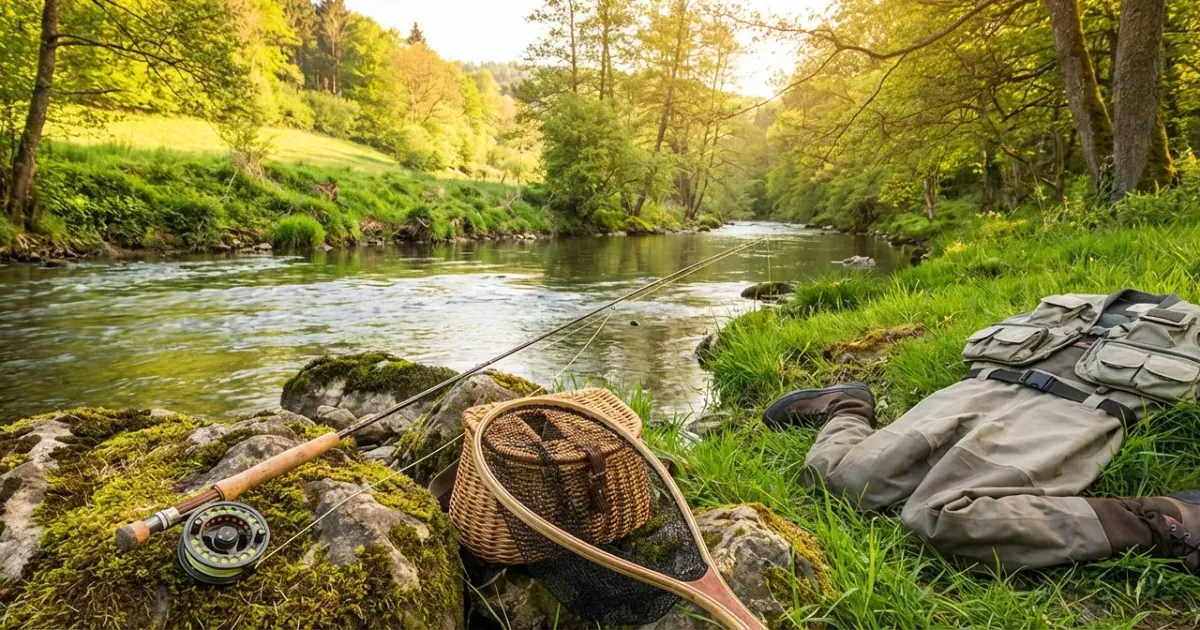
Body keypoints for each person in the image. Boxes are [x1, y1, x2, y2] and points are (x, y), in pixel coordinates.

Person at [763, 289, 1200, 573]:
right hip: (983, 384)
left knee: (945, 518)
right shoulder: (1077, 305)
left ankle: (1163, 519)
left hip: (1075, 412)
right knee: (839, 479)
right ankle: (848, 405)